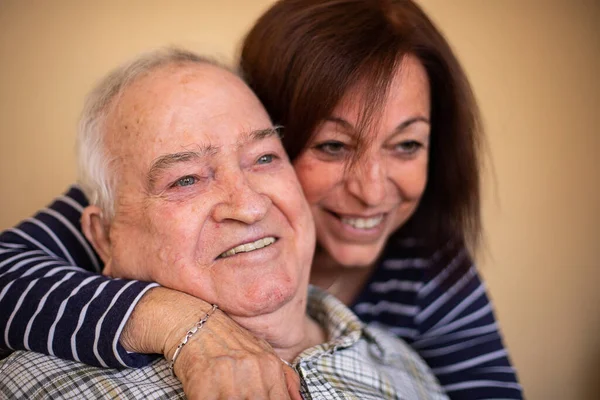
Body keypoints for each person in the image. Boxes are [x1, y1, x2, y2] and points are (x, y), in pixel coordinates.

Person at [0, 0, 522, 399]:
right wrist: (182, 326)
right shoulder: (125, 205)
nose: (371, 190)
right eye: (333, 145)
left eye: (407, 144)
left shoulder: (427, 262)